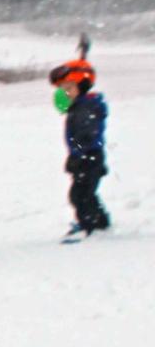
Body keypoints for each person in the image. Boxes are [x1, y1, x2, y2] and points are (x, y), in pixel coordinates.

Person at [49, 56, 111, 241]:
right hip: (87, 157)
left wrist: (78, 154)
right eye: (63, 89)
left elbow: (85, 137)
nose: (65, 93)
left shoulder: (86, 108)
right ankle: (100, 222)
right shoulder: (79, 107)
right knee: (86, 193)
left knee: (80, 195)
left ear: (81, 87)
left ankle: (89, 225)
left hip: (89, 157)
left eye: (69, 88)